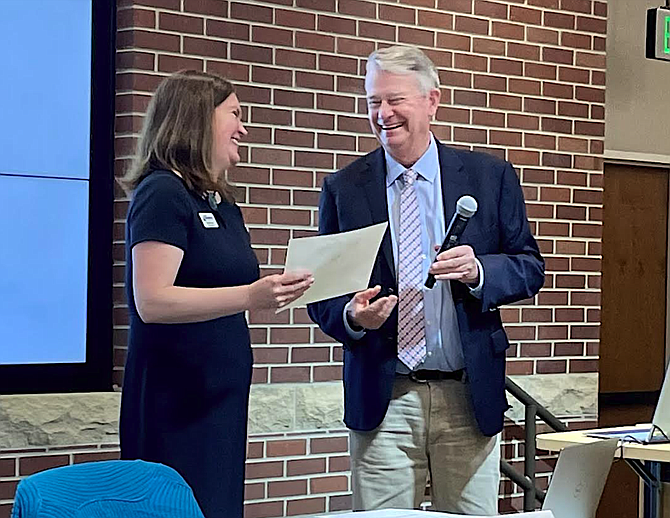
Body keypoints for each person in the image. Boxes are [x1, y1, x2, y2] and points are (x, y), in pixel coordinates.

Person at [307, 45, 544, 515]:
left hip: (467, 395)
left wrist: (479, 271)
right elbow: (324, 297)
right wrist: (353, 316)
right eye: (373, 101)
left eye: (395, 99)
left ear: (432, 101)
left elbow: (528, 266)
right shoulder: (344, 188)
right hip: (384, 396)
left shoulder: (489, 177)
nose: (383, 113)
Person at [118, 70, 313, 518]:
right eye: (235, 115)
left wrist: (275, 293)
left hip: (219, 396)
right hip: (175, 399)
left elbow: (228, 290)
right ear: (197, 120)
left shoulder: (220, 202)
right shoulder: (162, 193)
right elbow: (152, 301)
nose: (244, 128)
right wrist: (249, 296)